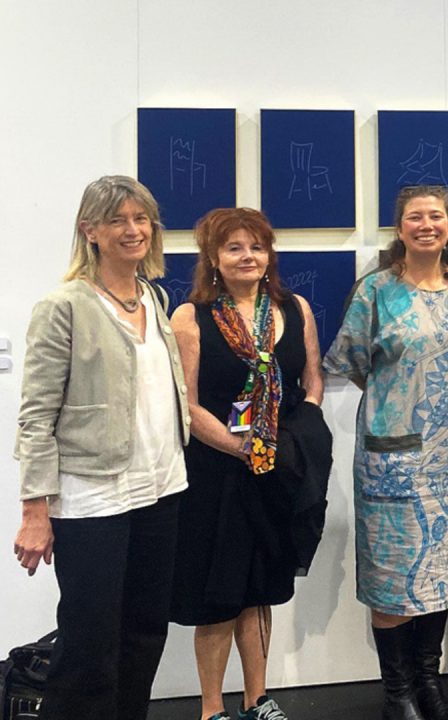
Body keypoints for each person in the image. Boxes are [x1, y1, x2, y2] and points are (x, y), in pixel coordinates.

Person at [13, 175, 190, 720]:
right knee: (89, 646)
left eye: (142, 219)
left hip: (161, 492)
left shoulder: (154, 297)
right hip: (92, 502)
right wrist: (35, 510)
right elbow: (36, 416)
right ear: (90, 230)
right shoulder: (63, 306)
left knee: (143, 636)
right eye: (118, 220)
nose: (133, 230)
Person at [325, 185, 448, 720]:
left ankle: (429, 685)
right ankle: (398, 695)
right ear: (400, 228)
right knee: (393, 579)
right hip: (391, 459)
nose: (426, 225)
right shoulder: (375, 291)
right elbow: (352, 361)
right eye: (415, 217)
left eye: (435, 216)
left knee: (442, 572)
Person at [170, 207, 330, 720]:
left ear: (269, 256)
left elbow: (313, 381)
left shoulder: (294, 308)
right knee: (219, 592)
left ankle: (258, 699)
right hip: (216, 472)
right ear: (213, 258)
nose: (247, 256)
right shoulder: (190, 317)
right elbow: (186, 405)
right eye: (234, 247)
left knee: (260, 587)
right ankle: (212, 709)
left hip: (276, 471)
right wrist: (245, 448)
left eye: (256, 247)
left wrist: (288, 443)